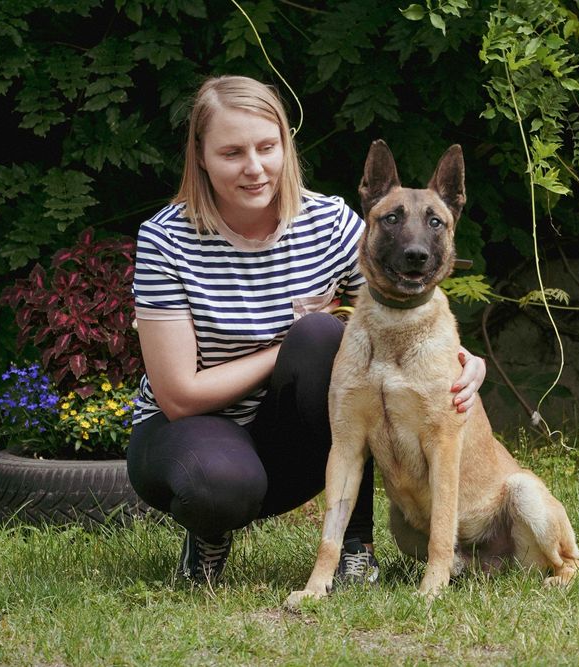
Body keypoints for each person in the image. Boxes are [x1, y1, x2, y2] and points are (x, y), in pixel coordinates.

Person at [127, 74, 486, 587]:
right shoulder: (166, 241)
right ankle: (208, 533)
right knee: (313, 345)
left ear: (285, 148)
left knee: (322, 340)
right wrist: (284, 347)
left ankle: (354, 547)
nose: (254, 168)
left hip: (289, 440)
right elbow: (179, 395)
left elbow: (402, 297)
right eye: (231, 153)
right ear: (200, 157)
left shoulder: (327, 222)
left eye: (266, 147)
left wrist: (465, 360)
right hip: (188, 431)